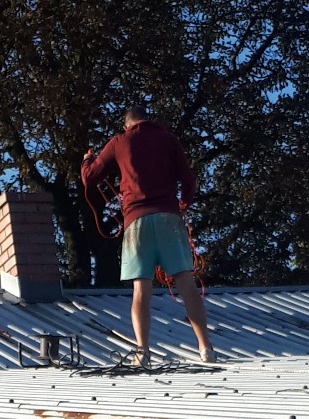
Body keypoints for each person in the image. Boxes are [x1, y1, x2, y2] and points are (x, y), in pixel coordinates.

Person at [82, 107, 213, 363]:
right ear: (148, 120)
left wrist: (87, 159)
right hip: (169, 217)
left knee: (141, 288)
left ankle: (142, 352)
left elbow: (90, 178)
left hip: (136, 221)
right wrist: (184, 202)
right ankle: (205, 347)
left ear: (127, 125)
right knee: (186, 283)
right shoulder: (168, 140)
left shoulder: (119, 142)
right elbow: (188, 178)